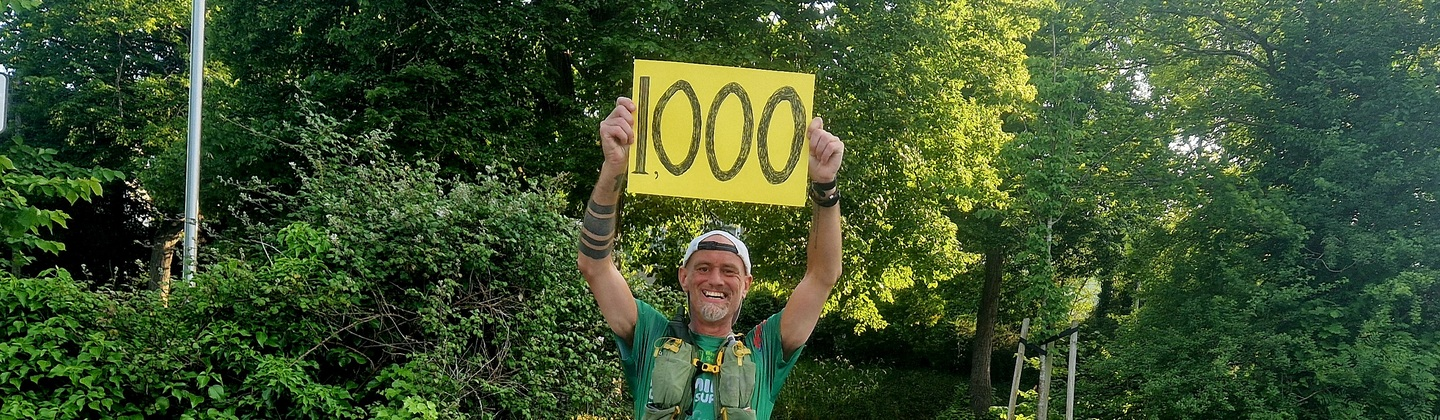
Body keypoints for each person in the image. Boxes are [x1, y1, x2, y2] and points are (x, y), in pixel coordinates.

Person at [577, 97, 844, 419]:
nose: (715, 279)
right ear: (684, 277)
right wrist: (613, 170)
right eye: (703, 268)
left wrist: (825, 186)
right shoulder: (649, 335)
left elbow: (822, 275)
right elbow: (594, 265)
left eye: (729, 271)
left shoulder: (766, 350)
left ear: (746, 284)